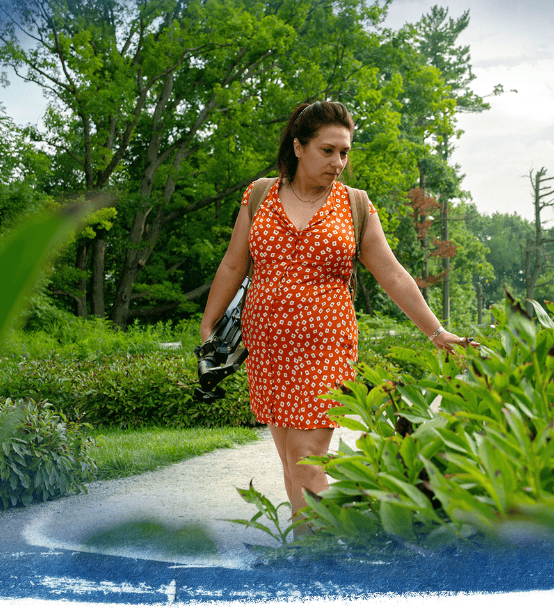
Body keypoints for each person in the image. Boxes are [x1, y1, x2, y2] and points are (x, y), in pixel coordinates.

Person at [199, 100, 473, 535]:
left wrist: (435, 331)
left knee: (307, 459)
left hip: (326, 348)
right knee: (291, 462)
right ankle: (305, 551)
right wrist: (209, 325)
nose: (339, 162)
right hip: (268, 351)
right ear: (298, 147)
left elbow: (394, 275)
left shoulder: (354, 205)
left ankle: (333, 557)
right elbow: (234, 264)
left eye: (344, 152)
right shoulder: (259, 195)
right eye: (328, 151)